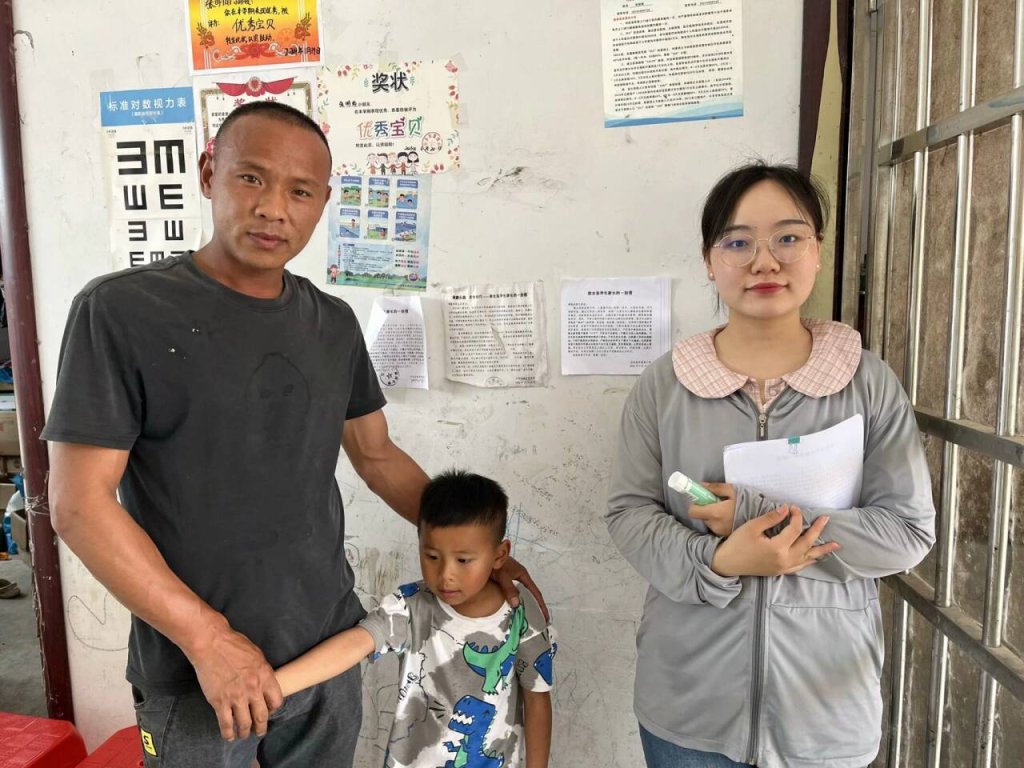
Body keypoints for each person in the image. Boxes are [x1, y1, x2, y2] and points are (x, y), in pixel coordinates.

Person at [43, 101, 544, 768]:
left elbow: (377, 456)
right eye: (251, 178)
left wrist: (479, 550)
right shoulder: (121, 311)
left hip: (325, 649)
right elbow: (79, 505)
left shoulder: (331, 323)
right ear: (208, 174)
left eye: (300, 191)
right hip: (197, 669)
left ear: (324, 202)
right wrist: (208, 639)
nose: (273, 208)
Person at [606, 162, 935, 768]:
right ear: (709, 261)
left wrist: (757, 517)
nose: (764, 262)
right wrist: (719, 561)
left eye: (788, 237)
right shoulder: (665, 386)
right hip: (689, 706)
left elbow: (907, 533)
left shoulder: (867, 383)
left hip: (823, 709)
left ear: (817, 252)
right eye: (738, 243)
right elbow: (629, 514)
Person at [275, 469, 554, 768]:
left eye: (463, 560)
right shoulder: (410, 606)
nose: (446, 574)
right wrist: (272, 687)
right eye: (432, 556)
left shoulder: (520, 612)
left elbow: (537, 697)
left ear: (500, 555)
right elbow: (356, 643)